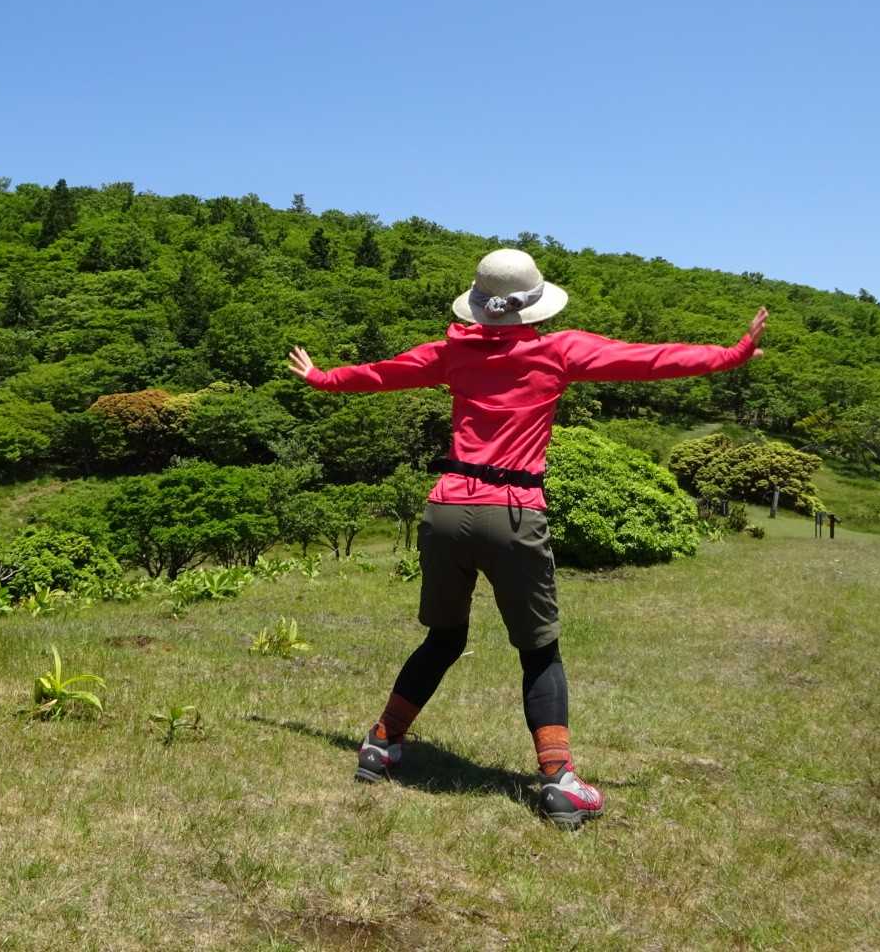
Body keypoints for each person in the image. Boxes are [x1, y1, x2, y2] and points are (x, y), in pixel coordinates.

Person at [287, 247, 767, 829]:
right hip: (514, 515)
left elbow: (384, 373)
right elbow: (650, 360)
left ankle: (381, 744)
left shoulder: (451, 352)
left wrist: (321, 378)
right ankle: (559, 781)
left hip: (446, 509)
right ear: (536, 305)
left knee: (444, 638)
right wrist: (730, 355)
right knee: (539, 651)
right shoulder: (560, 351)